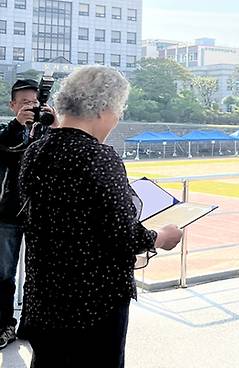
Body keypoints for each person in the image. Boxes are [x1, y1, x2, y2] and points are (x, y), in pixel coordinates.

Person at [18, 66, 183, 367]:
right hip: (93, 305)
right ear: (104, 108)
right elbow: (124, 235)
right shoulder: (99, 157)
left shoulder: (36, 152)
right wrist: (161, 236)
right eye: (118, 109)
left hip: (44, 299)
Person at [0, 79, 58, 350]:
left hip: (40, 214)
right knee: (3, 275)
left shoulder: (47, 132)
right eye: (24, 103)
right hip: (7, 214)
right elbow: (5, 149)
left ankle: (32, 324)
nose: (30, 108)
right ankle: (4, 325)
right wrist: (17, 126)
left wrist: (55, 125)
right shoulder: (5, 131)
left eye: (34, 103)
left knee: (39, 273)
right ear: (12, 105)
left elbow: (60, 156)